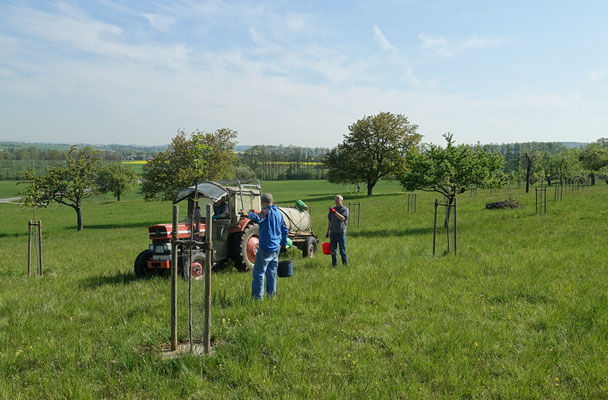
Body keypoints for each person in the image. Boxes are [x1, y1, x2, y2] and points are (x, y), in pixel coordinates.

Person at [241, 193, 289, 299]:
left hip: (265, 248)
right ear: (273, 201)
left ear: (262, 203)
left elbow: (259, 216)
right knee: (271, 273)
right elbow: (285, 230)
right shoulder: (279, 214)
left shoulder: (266, 211)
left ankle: (258, 298)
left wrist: (247, 214)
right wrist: (284, 245)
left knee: (259, 273)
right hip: (275, 248)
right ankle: (271, 296)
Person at [326, 195, 349, 267]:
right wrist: (327, 232)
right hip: (333, 233)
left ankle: (345, 265)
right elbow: (330, 221)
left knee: (342, 251)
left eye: (337, 200)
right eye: (335, 200)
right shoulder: (332, 209)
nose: (336, 201)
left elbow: (342, 218)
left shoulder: (345, 209)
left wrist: (335, 212)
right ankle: (334, 266)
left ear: (341, 201)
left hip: (341, 233)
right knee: (333, 251)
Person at [212, 196, 230, 269]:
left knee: (218, 240)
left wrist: (213, 217)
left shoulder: (225, 206)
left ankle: (219, 259)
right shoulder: (214, 206)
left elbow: (225, 214)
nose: (216, 203)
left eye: (217, 201)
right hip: (217, 223)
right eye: (215, 201)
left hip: (224, 224)